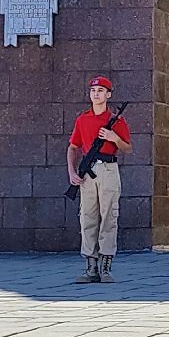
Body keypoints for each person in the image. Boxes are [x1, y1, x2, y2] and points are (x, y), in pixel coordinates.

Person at [67, 75, 130, 283]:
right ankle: (90, 267)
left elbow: (128, 148)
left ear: (108, 95)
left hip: (108, 169)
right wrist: (72, 172)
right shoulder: (82, 119)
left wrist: (114, 138)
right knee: (87, 218)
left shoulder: (117, 121)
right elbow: (73, 147)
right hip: (88, 173)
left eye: (101, 91)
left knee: (109, 217)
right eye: (93, 91)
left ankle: (105, 266)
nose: (96, 94)